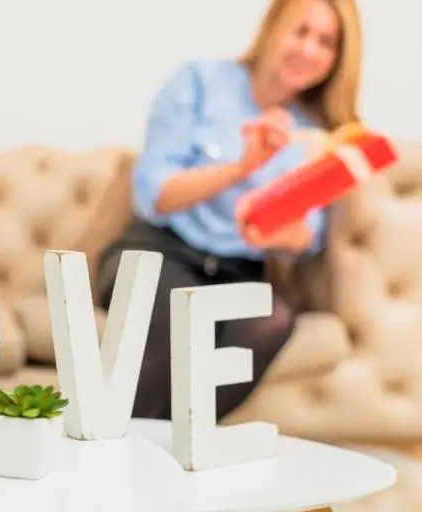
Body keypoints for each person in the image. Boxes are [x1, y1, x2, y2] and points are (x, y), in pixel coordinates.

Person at [95, 0, 363, 421]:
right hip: (159, 253)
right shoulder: (199, 81)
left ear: (335, 60)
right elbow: (155, 194)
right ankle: (121, 450)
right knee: (181, 316)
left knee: (274, 319)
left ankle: (167, 449)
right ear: (273, 27)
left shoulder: (312, 134)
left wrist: (280, 231)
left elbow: (303, 238)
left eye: (325, 42)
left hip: (236, 272)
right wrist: (244, 168)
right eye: (301, 31)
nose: (309, 50)